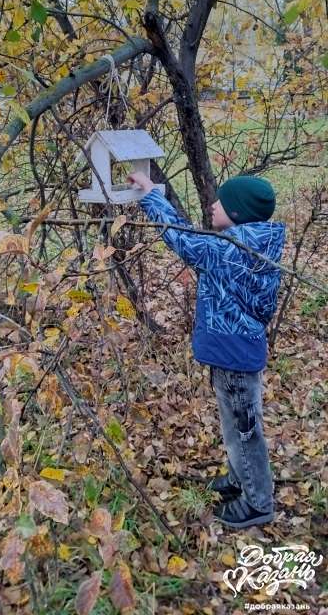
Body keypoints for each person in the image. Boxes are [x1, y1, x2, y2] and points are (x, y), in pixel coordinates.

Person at [126, 171, 286, 529]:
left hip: (234, 354)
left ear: (239, 213)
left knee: (244, 429)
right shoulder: (254, 243)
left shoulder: (229, 250)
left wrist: (151, 195)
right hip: (238, 350)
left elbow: (183, 240)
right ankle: (239, 478)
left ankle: (258, 502)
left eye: (222, 202)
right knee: (236, 423)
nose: (213, 205)